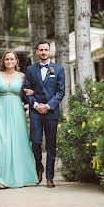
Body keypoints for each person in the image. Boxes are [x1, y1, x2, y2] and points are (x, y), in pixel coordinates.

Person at [0, 51, 38, 189]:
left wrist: (33, 94)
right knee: (2, 142)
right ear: (3, 61)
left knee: (17, 142)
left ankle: (21, 176)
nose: (9, 61)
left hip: (16, 111)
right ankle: (2, 179)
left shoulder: (22, 77)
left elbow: (29, 92)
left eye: (12, 59)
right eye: (7, 59)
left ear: (16, 61)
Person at [23, 42, 65, 188]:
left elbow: (61, 92)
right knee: (35, 142)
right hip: (35, 112)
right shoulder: (30, 70)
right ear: (36, 52)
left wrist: (47, 106)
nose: (43, 52)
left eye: (46, 50)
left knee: (51, 145)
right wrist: (35, 105)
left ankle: (49, 177)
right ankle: (39, 166)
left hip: (51, 112)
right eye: (41, 50)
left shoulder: (58, 69)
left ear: (50, 51)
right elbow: (26, 90)